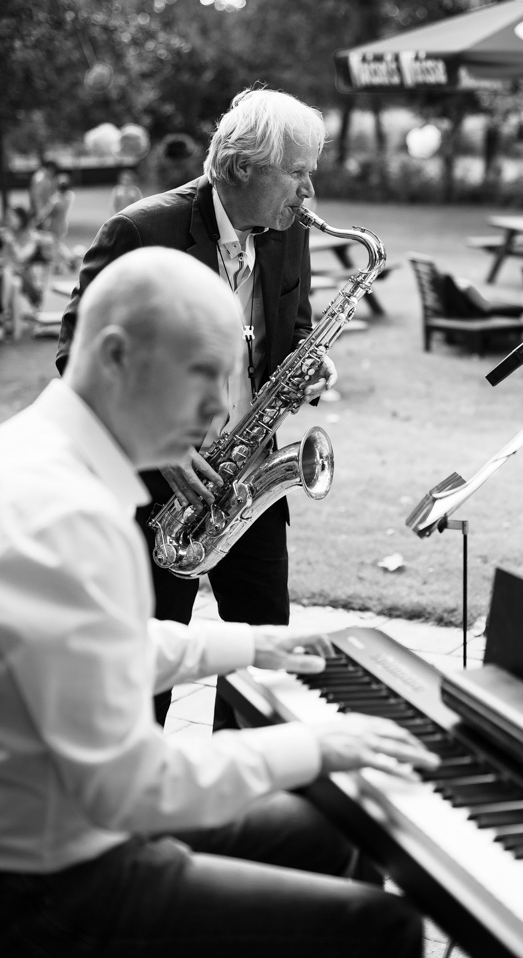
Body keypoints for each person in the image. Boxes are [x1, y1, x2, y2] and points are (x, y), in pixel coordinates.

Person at [0, 246, 438, 958]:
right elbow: (132, 788)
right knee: (381, 925)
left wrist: (249, 644)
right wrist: (311, 744)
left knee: (324, 834)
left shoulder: (37, 451)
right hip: (49, 880)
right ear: (115, 355)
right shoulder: (67, 514)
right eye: (202, 374)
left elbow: (94, 649)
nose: (215, 407)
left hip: (58, 817)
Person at [57, 86, 338, 730]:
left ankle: (242, 810)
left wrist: (309, 366)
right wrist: (161, 441)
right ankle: (134, 806)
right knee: (144, 675)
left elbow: (290, 332)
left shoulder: (285, 233)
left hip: (251, 480)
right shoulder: (140, 231)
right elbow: (78, 360)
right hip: (157, 488)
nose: (308, 194)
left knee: (264, 667)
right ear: (243, 167)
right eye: (296, 173)